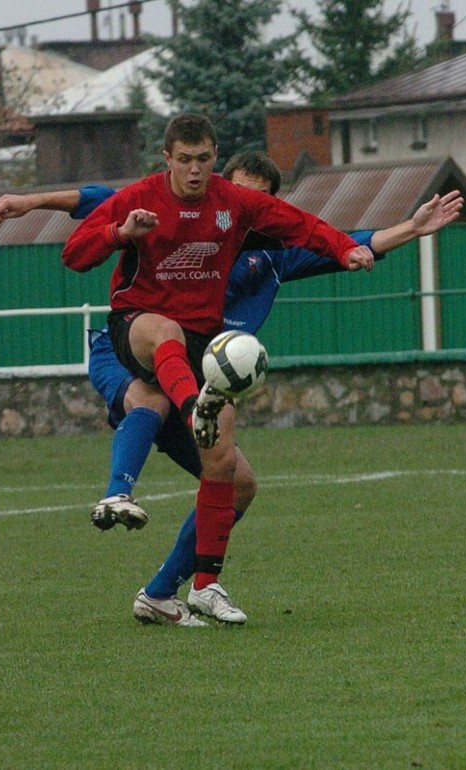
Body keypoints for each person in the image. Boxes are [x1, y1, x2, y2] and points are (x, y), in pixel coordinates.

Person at [0, 151, 464, 627]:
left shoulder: (271, 254)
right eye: (239, 190)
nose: (242, 202)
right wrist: (30, 201)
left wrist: (411, 228)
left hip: (198, 371)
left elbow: (353, 243)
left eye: (258, 198)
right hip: (128, 349)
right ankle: (118, 493)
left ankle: (163, 593)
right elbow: (95, 200)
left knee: (239, 484)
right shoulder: (178, 209)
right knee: (151, 396)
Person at [58, 113, 377, 626]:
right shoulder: (140, 197)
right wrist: (120, 232)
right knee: (166, 335)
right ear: (167, 159)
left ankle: (182, 589)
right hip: (138, 325)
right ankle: (189, 412)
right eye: (184, 160)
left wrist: (344, 246)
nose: (194, 170)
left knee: (235, 476)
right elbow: (73, 255)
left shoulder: (234, 202)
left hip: (202, 346)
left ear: (214, 157)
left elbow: (300, 224)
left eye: (203, 160)